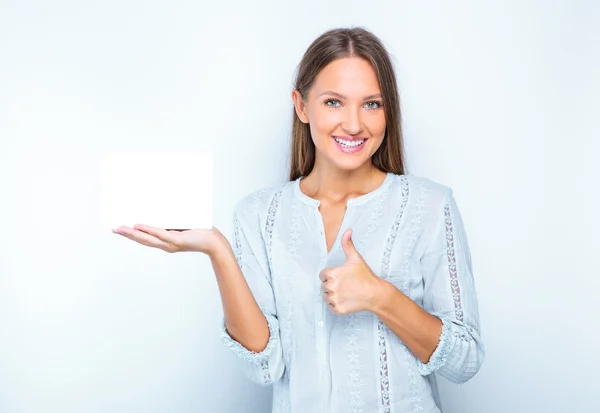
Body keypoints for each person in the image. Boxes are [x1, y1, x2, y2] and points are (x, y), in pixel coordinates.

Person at [112, 27, 484, 413]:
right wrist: (217, 249)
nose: (355, 124)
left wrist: (379, 295)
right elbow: (264, 366)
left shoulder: (429, 206)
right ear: (302, 106)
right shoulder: (257, 214)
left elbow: (465, 361)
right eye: (334, 102)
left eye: (372, 104)